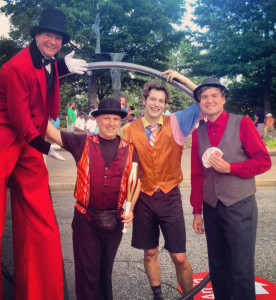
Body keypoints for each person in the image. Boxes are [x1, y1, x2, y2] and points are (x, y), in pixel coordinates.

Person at [0, 8, 88, 300]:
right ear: (36, 35)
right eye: (48, 34)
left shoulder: (46, 61)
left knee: (41, 219)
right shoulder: (15, 66)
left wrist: (62, 66)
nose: (53, 40)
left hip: (25, 141)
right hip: (0, 142)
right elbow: (19, 116)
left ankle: (41, 293)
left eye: (58, 37)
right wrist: (45, 147)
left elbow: (42, 74)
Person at [45, 97, 141, 300]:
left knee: (105, 271)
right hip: (85, 220)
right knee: (87, 274)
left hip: (115, 221)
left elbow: (136, 181)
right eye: (106, 118)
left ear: (121, 122)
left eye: (116, 119)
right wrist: (36, 101)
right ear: (97, 120)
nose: (111, 123)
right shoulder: (82, 142)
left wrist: (130, 208)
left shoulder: (130, 149)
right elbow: (50, 131)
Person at [120, 70, 202, 300]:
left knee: (180, 257)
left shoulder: (176, 122)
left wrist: (182, 79)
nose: (156, 104)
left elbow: (203, 100)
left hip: (169, 196)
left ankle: (189, 296)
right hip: (143, 198)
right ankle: (157, 295)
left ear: (166, 104)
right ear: (144, 100)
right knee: (150, 252)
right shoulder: (128, 131)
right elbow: (123, 169)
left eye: (161, 101)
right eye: (152, 99)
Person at [189, 77, 272, 300]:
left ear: (223, 99)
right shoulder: (199, 133)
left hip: (240, 205)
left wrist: (231, 167)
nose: (209, 100)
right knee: (218, 266)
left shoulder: (242, 123)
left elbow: (264, 161)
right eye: (204, 97)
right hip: (211, 207)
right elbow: (197, 174)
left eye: (214, 95)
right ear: (200, 103)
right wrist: (197, 210)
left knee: (241, 268)